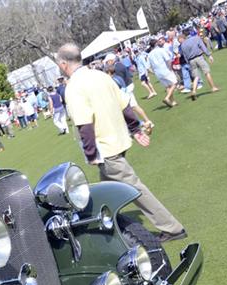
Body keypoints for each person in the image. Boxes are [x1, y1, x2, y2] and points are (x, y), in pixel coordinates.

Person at [56, 43, 187, 243]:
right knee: (105, 193)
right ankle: (110, 230)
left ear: (64, 64)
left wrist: (90, 154)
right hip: (118, 140)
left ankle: (171, 227)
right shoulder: (99, 75)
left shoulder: (74, 86)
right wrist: (134, 129)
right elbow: (125, 105)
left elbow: (84, 124)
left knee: (134, 188)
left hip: (105, 148)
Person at [179, 29, 220, 100]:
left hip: (191, 60)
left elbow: (185, 56)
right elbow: (203, 47)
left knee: (196, 76)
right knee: (207, 72)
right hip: (199, 57)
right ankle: (213, 87)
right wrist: (209, 55)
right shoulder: (196, 38)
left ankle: (194, 91)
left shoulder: (183, 44)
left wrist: (188, 63)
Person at [147, 37, 178, 108]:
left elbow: (148, 67)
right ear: (156, 44)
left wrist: (154, 72)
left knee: (167, 86)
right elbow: (168, 60)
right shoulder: (161, 50)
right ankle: (167, 98)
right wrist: (170, 68)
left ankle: (173, 101)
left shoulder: (149, 55)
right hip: (165, 69)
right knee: (175, 83)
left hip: (158, 73)